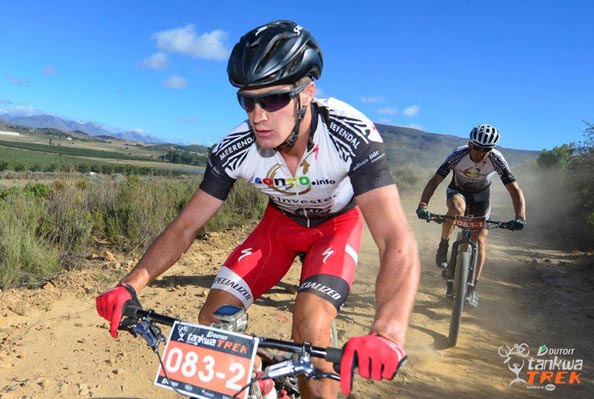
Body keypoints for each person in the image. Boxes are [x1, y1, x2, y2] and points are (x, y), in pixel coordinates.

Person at [96, 20, 419, 398]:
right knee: (212, 318)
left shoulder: (351, 135)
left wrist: (388, 332)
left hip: (335, 226)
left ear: (307, 93)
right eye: (247, 100)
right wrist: (130, 285)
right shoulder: (235, 148)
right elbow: (186, 226)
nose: (258, 115)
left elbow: (395, 238)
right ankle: (265, 375)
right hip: (279, 227)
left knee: (311, 327)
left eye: (274, 100)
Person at [416, 124, 526, 307]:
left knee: (481, 239)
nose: (481, 153)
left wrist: (520, 216)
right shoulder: (457, 155)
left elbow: (514, 190)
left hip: (481, 197)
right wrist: (423, 205)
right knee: (457, 210)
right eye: (477, 148)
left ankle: (473, 287)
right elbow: (435, 180)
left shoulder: (496, 159)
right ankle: (443, 245)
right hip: (457, 191)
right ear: (469, 144)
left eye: (487, 149)